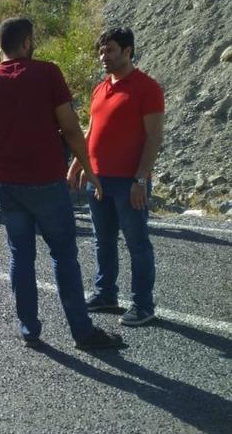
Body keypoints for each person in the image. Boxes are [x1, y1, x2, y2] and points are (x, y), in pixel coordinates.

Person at [0, 17, 122, 349]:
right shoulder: (47, 73)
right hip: (46, 181)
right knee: (64, 257)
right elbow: (70, 128)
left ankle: (30, 330)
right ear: (26, 42)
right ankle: (82, 332)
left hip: (9, 185)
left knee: (20, 257)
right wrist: (89, 170)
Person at [68, 27, 164, 326]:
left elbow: (153, 138)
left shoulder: (147, 88)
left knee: (137, 243)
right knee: (103, 240)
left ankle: (142, 305)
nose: (103, 56)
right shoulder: (100, 88)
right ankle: (106, 293)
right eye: (101, 51)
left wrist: (140, 179)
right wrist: (77, 163)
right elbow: (91, 129)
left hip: (128, 181)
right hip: (98, 179)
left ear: (127, 51)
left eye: (109, 50)